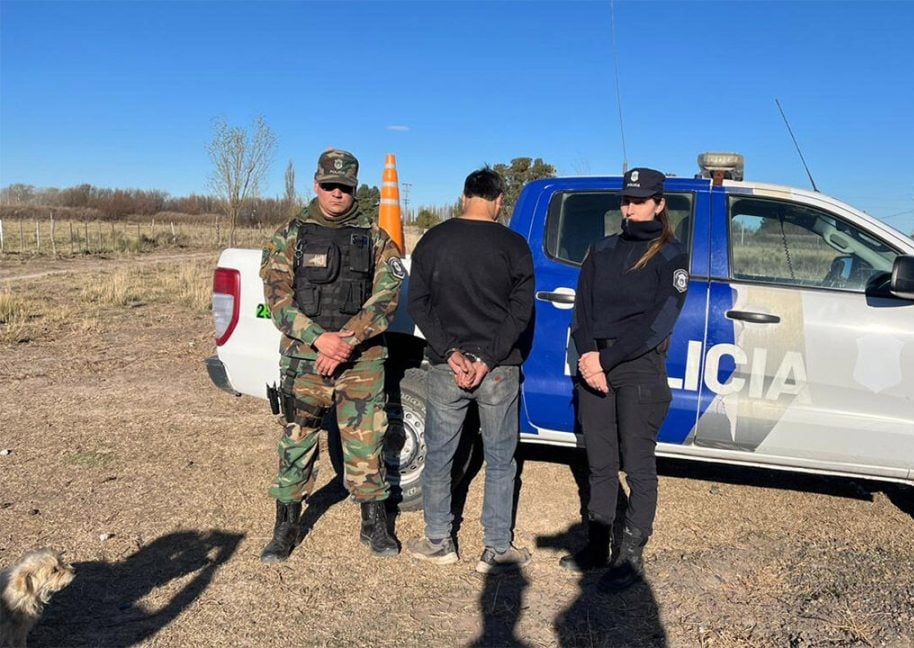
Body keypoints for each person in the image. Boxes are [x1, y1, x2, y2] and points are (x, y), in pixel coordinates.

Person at [258, 149, 406, 562]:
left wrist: (346, 340)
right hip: (305, 360)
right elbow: (277, 299)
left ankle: (374, 524)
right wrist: (320, 340)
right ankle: (286, 525)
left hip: (361, 362)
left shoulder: (377, 239)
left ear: (355, 189)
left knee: (367, 441)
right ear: (316, 184)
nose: (337, 193)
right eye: (329, 186)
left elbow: (386, 298)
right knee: (297, 441)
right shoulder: (290, 234)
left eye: (345, 187)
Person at [560, 167, 689, 592]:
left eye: (639, 200)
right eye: (625, 200)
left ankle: (630, 555)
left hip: (637, 368)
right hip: (596, 362)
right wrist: (589, 357)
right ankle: (598, 545)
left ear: (659, 203)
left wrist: (605, 360)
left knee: (637, 466)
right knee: (599, 463)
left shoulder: (671, 257)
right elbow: (582, 311)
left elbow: (657, 324)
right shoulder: (602, 250)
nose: (629, 207)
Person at [405, 167, 535, 574]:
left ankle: (438, 540)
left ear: (464, 197)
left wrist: (452, 352)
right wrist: (488, 359)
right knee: (500, 460)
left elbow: (418, 304)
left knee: (440, 455)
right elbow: (520, 312)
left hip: (448, 367)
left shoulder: (433, 240)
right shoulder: (514, 245)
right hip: (497, 370)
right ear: (499, 201)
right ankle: (496, 548)